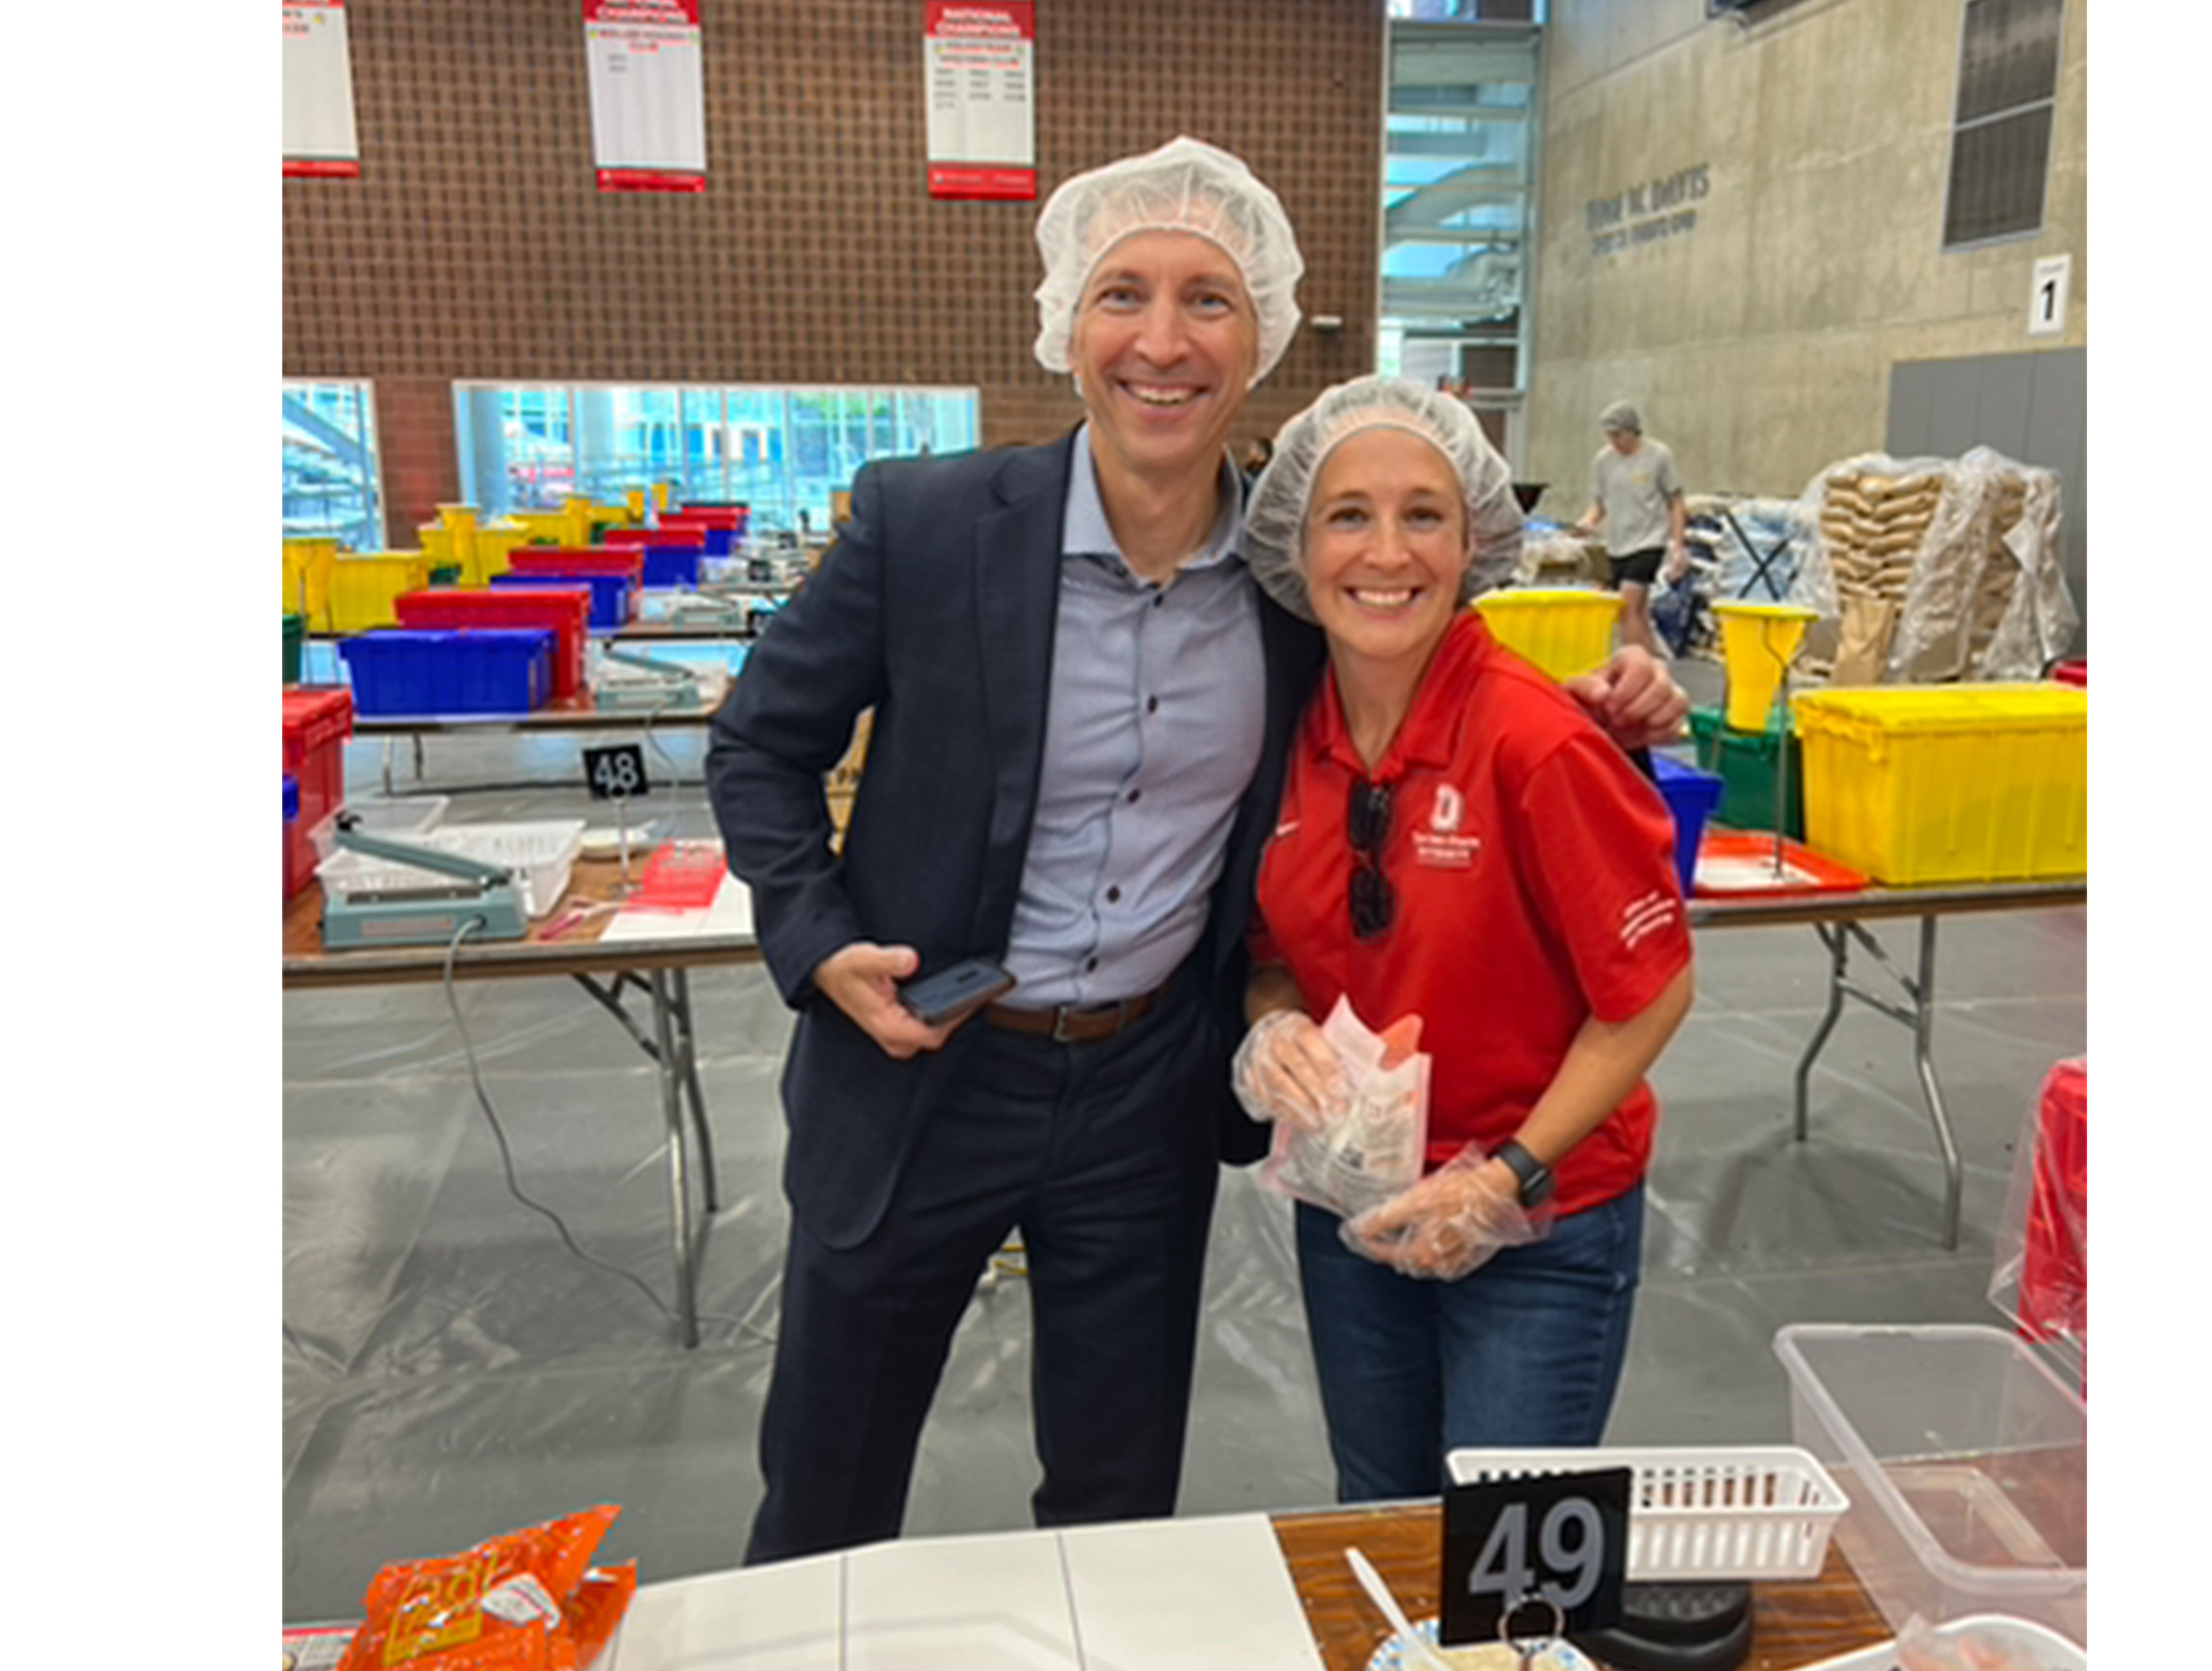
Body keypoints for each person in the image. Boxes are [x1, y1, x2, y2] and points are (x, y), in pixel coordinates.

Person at [702, 137, 1690, 1565]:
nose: (1160, 341)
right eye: (1123, 295)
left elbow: (1446, 687)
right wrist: (810, 935)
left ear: (1260, 339)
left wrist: (1620, 719)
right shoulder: (923, 527)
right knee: (824, 1490)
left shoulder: (1296, 595)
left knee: (1115, 1506)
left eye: (1206, 301)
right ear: (1065, 323)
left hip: (1139, 1096)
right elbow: (755, 742)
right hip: (926, 1063)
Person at [1231, 376, 1695, 1503]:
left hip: (1536, 1219)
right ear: (1299, 542)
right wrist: (1273, 1022)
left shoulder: (1537, 745)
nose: (1385, 552)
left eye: (1422, 515)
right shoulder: (1285, 735)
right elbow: (1273, 948)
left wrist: (1507, 1178)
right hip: (1361, 1197)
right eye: (1349, 514)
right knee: (1383, 1509)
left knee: (1504, 1552)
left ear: (1475, 536)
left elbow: (1650, 991)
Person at [1578, 400, 1687, 659]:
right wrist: (1588, 522)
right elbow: (1600, 505)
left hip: (1649, 541)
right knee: (1639, 611)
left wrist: (1677, 545)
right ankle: (1651, 664)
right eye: (1609, 436)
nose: (1614, 441)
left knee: (1627, 606)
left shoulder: (1658, 456)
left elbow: (1676, 502)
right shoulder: (1603, 462)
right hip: (1618, 543)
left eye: (1618, 435)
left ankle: (1634, 665)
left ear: (1632, 432)